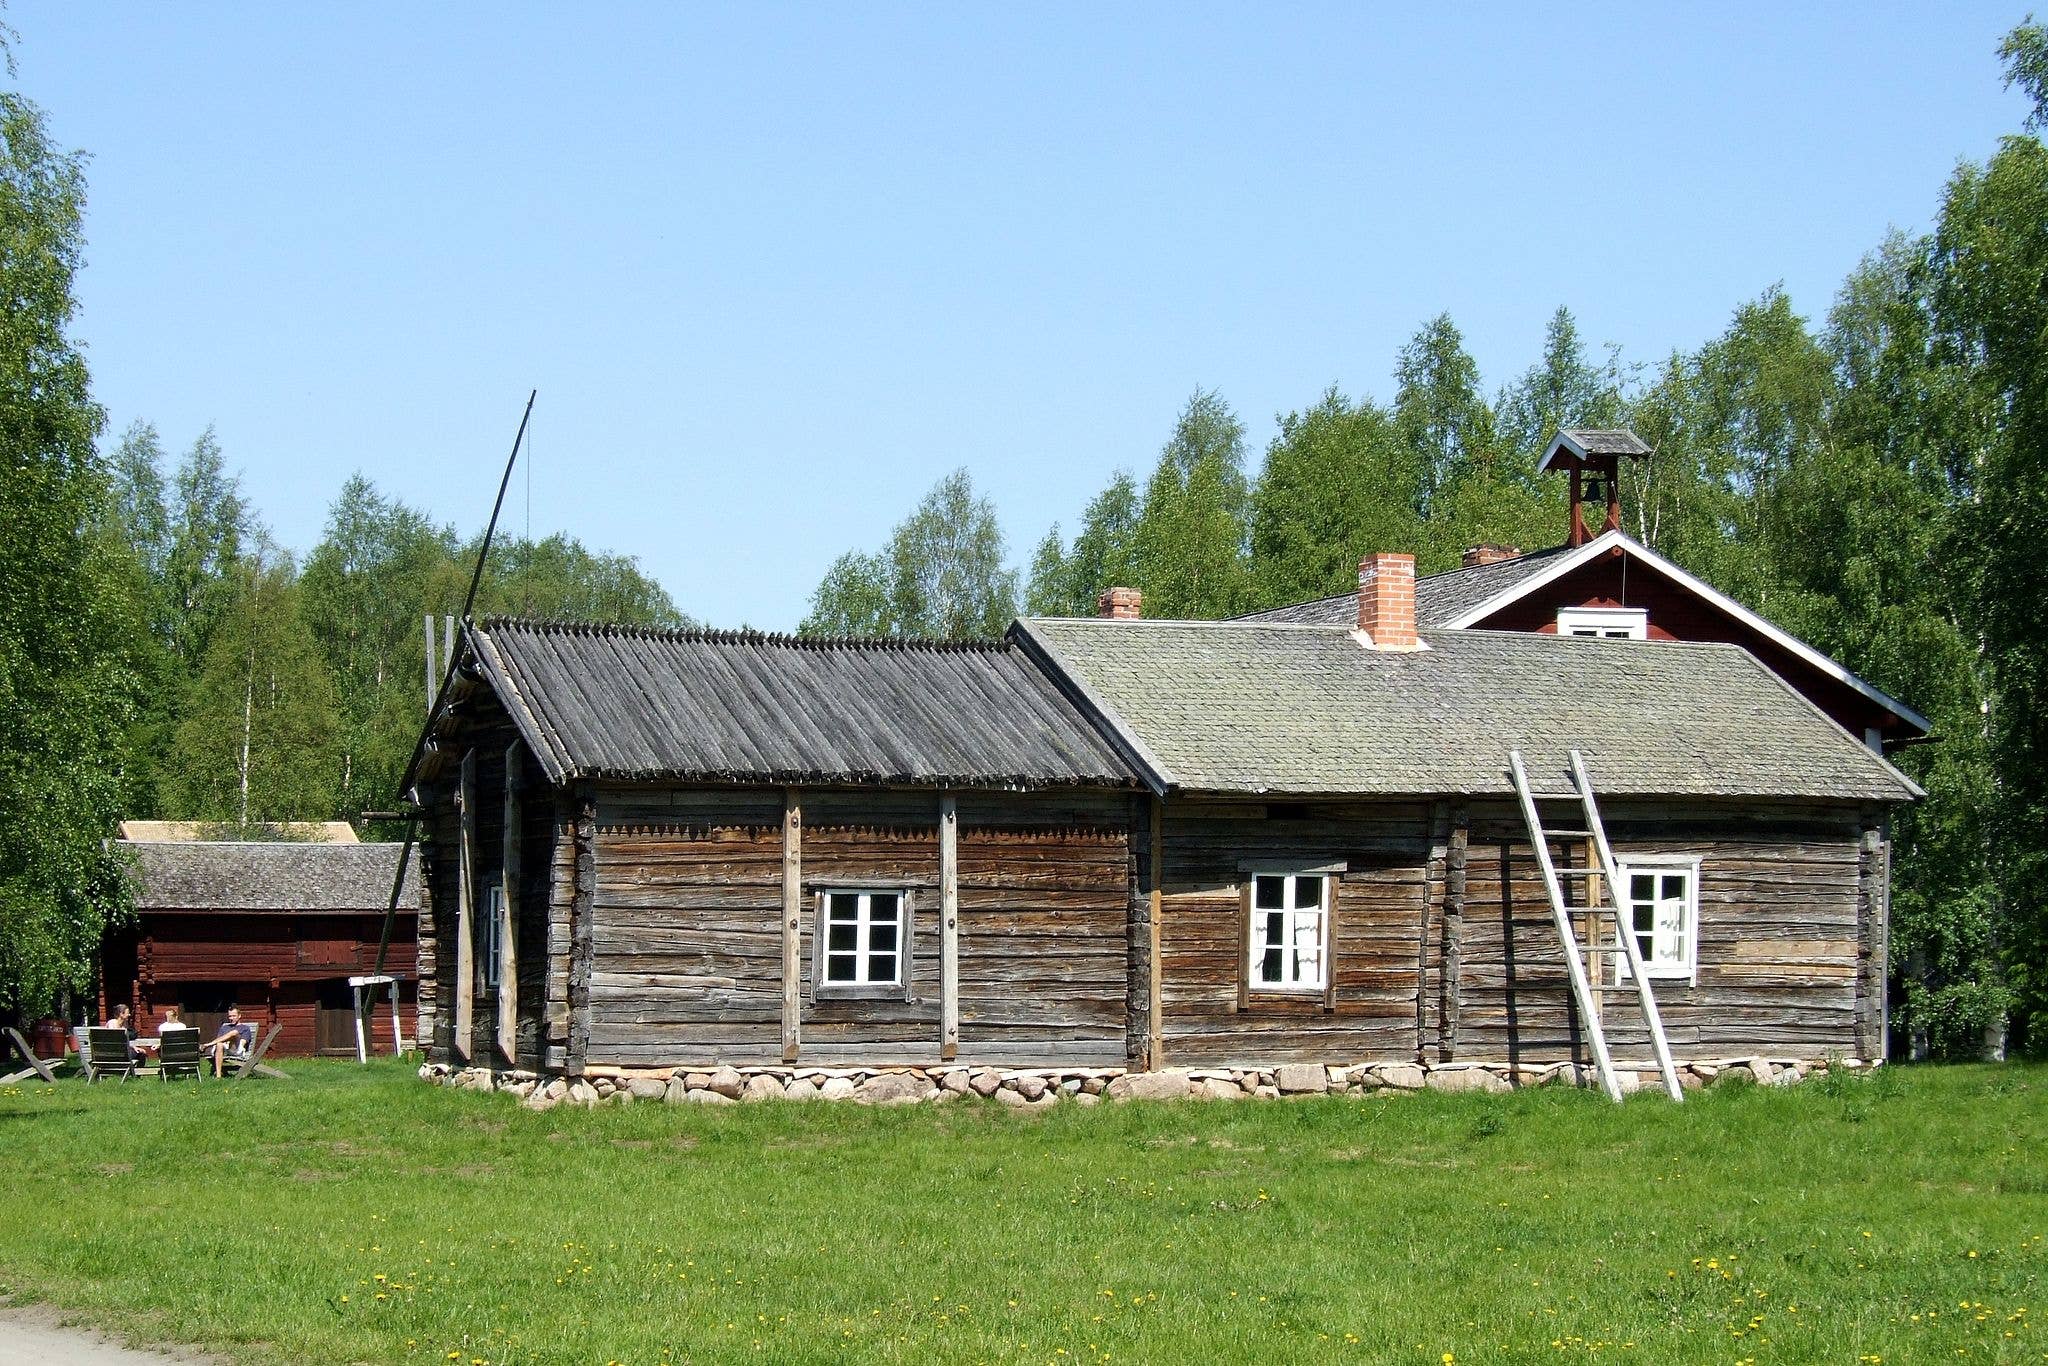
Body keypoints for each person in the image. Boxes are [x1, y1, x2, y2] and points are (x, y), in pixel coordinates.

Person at [208, 1006, 255, 1077]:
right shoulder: (224, 1027)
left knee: (234, 1032)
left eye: (234, 1016)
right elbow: (219, 1040)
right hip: (226, 1050)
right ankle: (218, 1076)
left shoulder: (245, 1028)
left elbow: (243, 1042)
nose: (231, 1018)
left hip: (238, 1050)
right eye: (230, 1016)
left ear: (239, 1016)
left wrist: (233, 1038)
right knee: (219, 1044)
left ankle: (207, 1045)